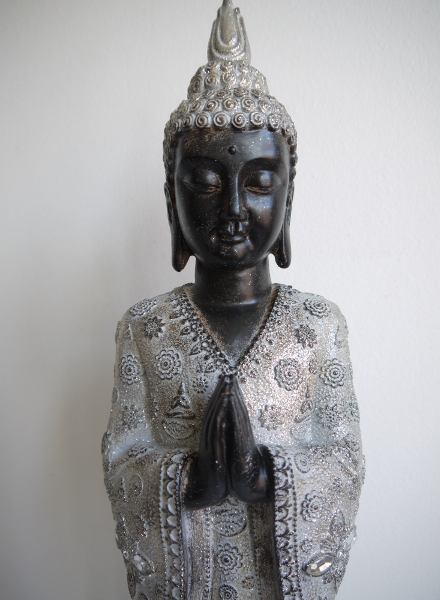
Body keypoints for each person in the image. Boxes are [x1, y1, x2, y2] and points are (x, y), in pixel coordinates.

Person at [102, 2, 364, 599]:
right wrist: (189, 480)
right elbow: (122, 462)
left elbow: (344, 461)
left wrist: (266, 476)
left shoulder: (318, 326)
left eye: (260, 182)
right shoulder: (145, 328)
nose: (234, 210)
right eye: (205, 182)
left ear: (288, 200)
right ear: (171, 200)